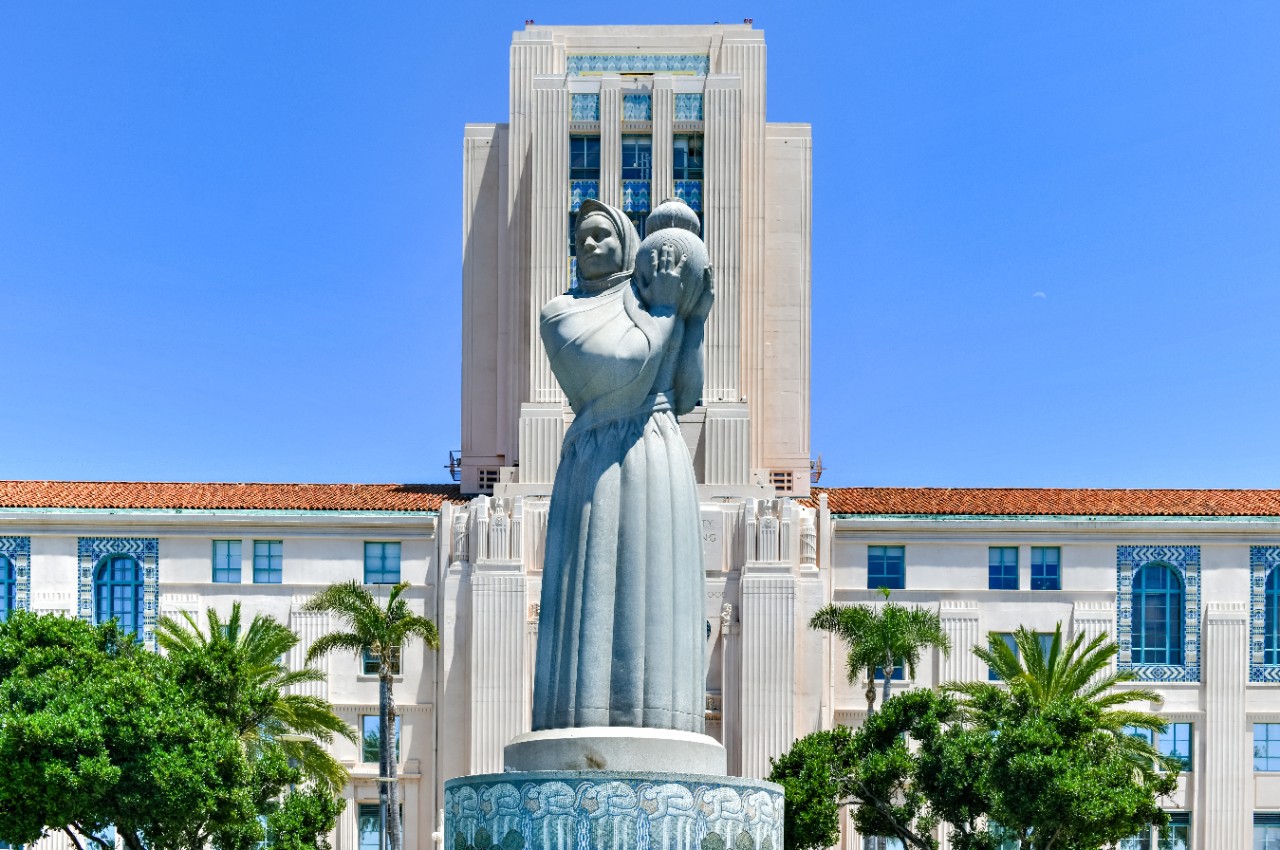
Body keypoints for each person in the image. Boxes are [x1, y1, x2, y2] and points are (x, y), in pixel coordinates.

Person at [533, 198, 714, 732]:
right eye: (581, 237)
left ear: (629, 244)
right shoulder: (561, 313)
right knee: (589, 587)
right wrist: (668, 311)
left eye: (602, 234)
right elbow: (626, 365)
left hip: (657, 448)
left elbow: (687, 393)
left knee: (656, 582)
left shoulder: (648, 296)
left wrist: (694, 323)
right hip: (596, 457)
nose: (590, 243)